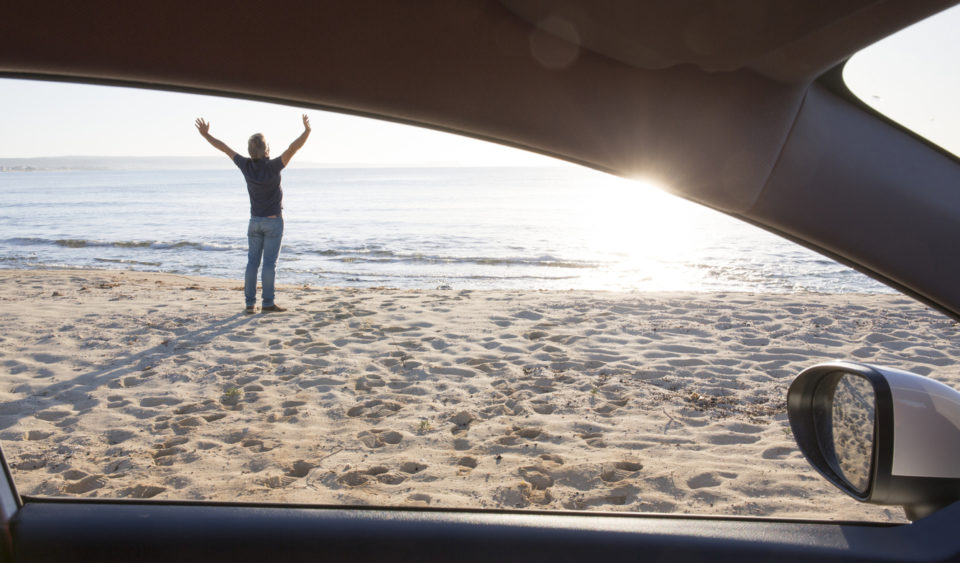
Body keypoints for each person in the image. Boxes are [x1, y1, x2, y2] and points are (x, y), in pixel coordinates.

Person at [195, 114, 311, 313]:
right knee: (269, 265)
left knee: (252, 263)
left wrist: (206, 135)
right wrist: (307, 131)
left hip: (254, 222)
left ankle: (250, 304)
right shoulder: (274, 166)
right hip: (273, 222)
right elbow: (293, 148)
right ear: (267, 150)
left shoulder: (245, 165)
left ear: (250, 151)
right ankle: (267, 303)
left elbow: (223, 147)